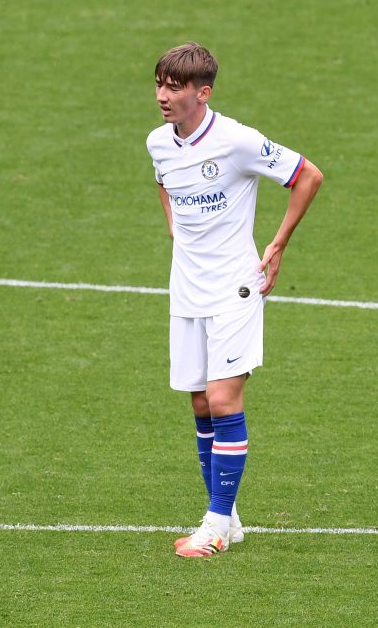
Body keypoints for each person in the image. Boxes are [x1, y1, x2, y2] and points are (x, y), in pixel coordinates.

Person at [145, 42, 322, 557]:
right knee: (200, 402)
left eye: (174, 87)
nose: (163, 95)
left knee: (224, 400)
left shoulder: (237, 141)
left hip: (235, 287)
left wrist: (279, 243)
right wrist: (177, 231)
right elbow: (164, 183)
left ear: (203, 93)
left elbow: (306, 175)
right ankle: (229, 515)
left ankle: (217, 522)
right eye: (159, 84)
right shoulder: (158, 142)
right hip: (187, 289)